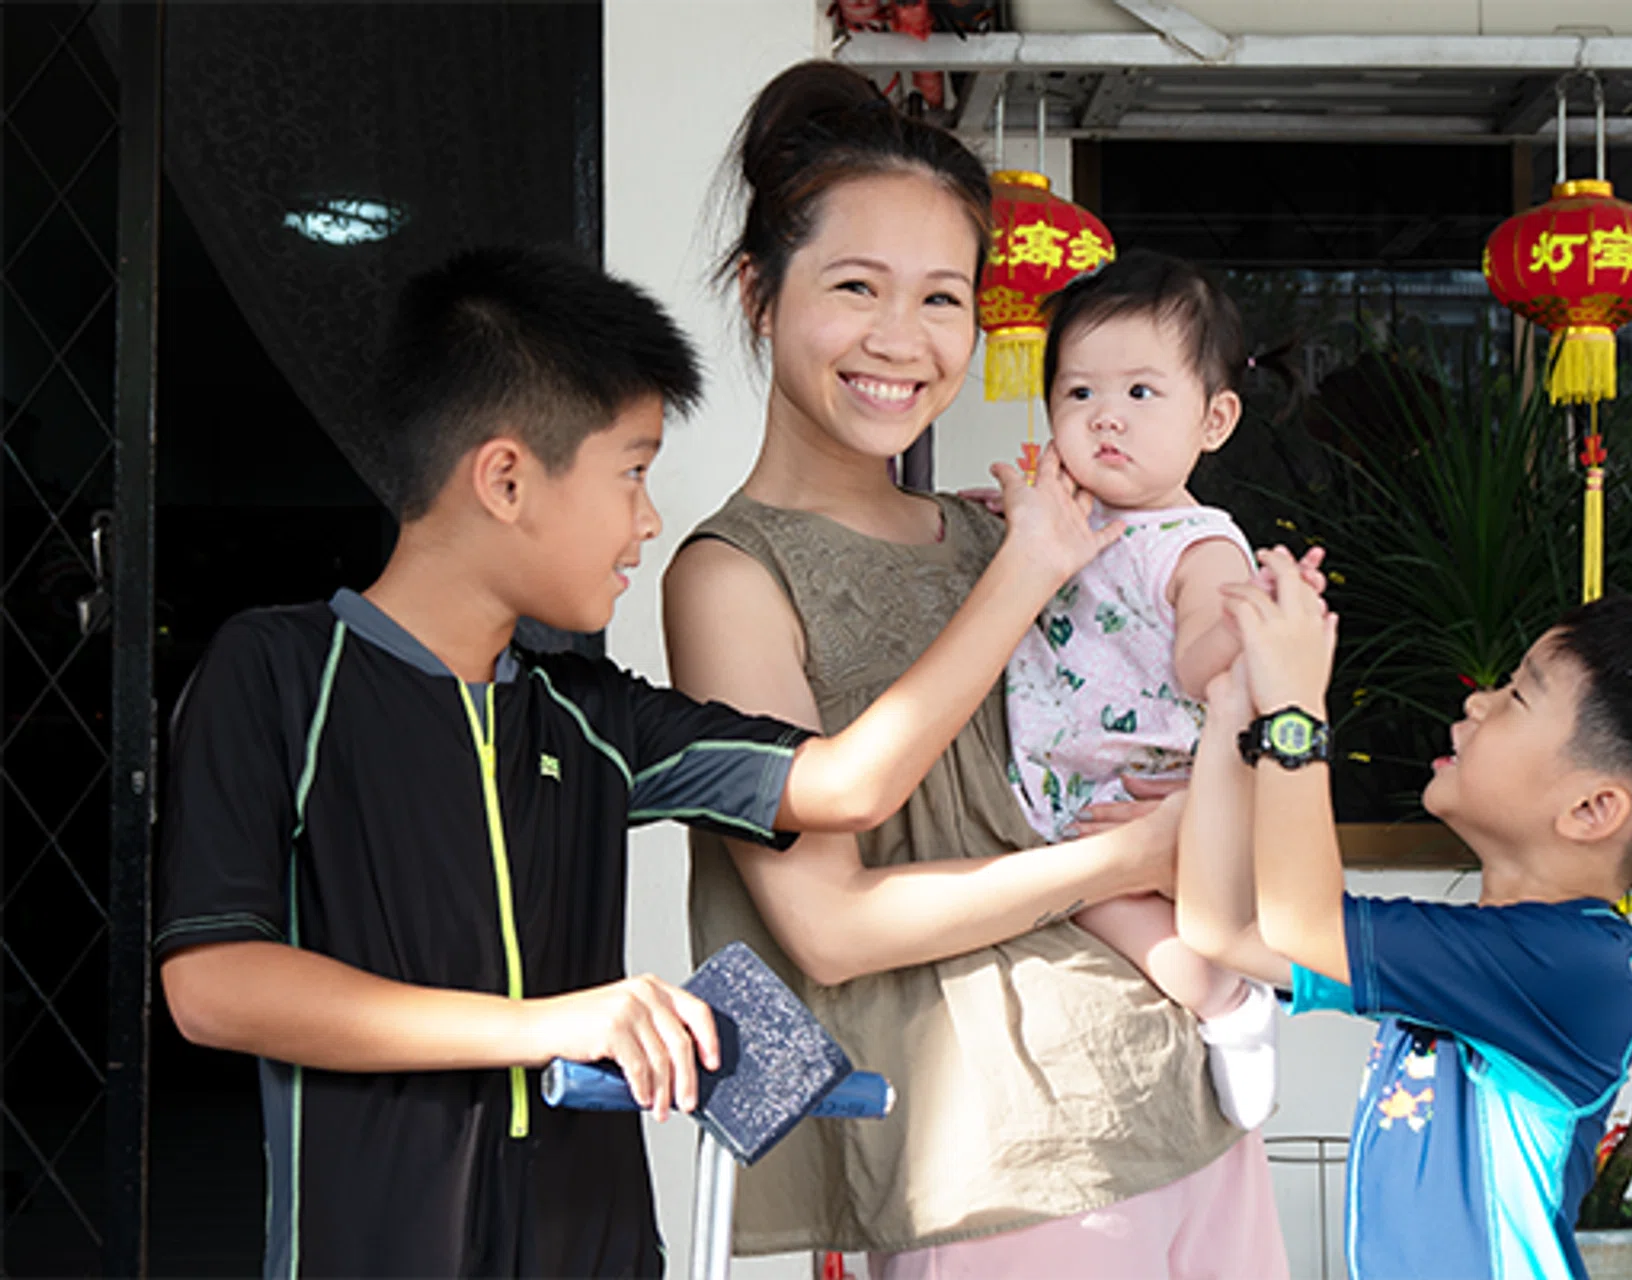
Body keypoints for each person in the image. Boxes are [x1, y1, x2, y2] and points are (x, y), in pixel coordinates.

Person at [155, 244, 1121, 1280]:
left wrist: (1027, 568)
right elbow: (215, 984)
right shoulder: (279, 673)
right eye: (633, 471)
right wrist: (547, 1026)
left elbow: (850, 783)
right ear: (507, 477)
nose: (651, 520)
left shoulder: (586, 711)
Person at [665, 62, 1289, 1278]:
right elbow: (827, 927)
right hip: (998, 1158)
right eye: (856, 286)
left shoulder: (998, 526)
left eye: (944, 297)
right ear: (759, 291)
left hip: (1185, 1104)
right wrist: (1130, 855)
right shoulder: (732, 576)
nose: (903, 340)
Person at [1176, 565, 1632, 1280]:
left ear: (1591, 810)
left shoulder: (1571, 972)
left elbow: (1296, 920)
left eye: (1517, 695)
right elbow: (1225, 927)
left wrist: (1293, 707)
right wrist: (1232, 705)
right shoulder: (1483, 956)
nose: (1478, 702)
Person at [1003, 250, 1299, 1129]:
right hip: (1066, 787)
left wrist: (1247, 630)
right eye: (1078, 393)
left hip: (1141, 789)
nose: (1105, 420)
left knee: (1130, 923)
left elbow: (1199, 657)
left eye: (1140, 394)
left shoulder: (1197, 542)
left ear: (1214, 420)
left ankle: (1230, 1008)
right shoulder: (1068, 516)